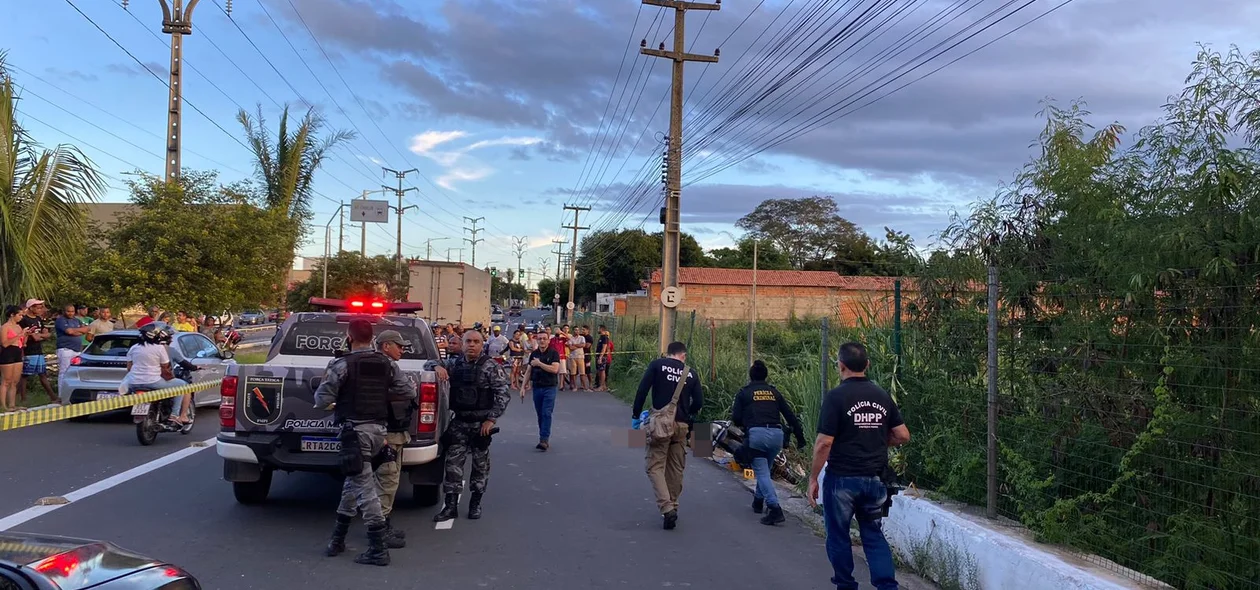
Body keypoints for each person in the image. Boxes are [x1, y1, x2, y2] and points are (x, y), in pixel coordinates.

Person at [808, 342, 910, 590]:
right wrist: (876, 440)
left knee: (839, 536)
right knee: (873, 535)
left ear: (840, 366)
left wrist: (812, 478)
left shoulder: (835, 397)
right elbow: (903, 435)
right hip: (875, 479)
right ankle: (887, 587)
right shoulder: (881, 395)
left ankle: (846, 585)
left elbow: (824, 443)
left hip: (841, 479)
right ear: (867, 365)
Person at [315, 319, 415, 567]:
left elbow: (320, 399)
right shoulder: (387, 364)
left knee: (365, 489)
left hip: (355, 433)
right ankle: (337, 539)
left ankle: (377, 549)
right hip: (380, 433)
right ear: (373, 338)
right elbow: (409, 391)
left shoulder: (342, 364)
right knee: (353, 485)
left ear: (349, 338)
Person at [427, 328, 510, 522]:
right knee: (453, 466)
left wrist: (491, 419)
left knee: (480, 467)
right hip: (459, 423)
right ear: (462, 344)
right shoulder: (455, 364)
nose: (471, 345)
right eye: (468, 341)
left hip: (481, 425)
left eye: (476, 342)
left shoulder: (490, 366)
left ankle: (475, 504)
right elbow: (430, 362)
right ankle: (450, 506)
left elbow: (503, 394)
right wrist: (436, 367)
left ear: (482, 345)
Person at [631, 341, 703, 530]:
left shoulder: (657, 365)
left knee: (655, 466)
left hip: (660, 426)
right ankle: (674, 505)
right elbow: (699, 402)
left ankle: (667, 507)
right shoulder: (691, 373)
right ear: (683, 355)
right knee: (676, 467)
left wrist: (635, 415)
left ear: (668, 353)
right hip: (681, 425)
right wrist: (687, 413)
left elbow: (642, 390)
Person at [730, 359, 807, 525]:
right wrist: (800, 439)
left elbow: (735, 418)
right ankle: (758, 501)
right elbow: (790, 416)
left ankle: (774, 508)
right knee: (764, 469)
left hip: (757, 435)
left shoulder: (744, 393)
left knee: (762, 473)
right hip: (776, 436)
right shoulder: (774, 393)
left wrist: (747, 423)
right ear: (766, 376)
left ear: (751, 376)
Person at [372, 330, 418, 550]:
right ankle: (379, 532)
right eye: (399, 346)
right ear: (386, 346)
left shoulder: (355, 363)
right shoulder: (388, 366)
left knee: (361, 484)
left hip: (368, 432)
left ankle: (340, 536)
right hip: (387, 433)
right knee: (387, 481)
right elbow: (409, 391)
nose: (402, 350)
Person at [124, 323, 191, 423]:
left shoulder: (134, 348)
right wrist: (170, 378)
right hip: (153, 382)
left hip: (134, 383)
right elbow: (165, 368)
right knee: (182, 385)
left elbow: (129, 368)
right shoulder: (159, 348)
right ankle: (175, 415)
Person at [526, 329, 561, 451]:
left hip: (549, 388)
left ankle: (544, 439)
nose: (542, 341)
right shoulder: (534, 354)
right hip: (537, 388)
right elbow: (528, 371)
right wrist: (522, 387)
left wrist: (540, 364)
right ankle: (543, 436)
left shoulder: (553, 353)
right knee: (540, 414)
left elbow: (555, 369)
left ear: (548, 340)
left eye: (544, 338)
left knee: (546, 413)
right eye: (539, 338)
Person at [17, 300, 55, 406]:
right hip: (29, 350)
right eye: (37, 308)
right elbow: (34, 337)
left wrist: (42, 335)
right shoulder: (24, 320)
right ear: (31, 308)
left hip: (38, 350)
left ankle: (52, 396)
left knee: (42, 373)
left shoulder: (38, 319)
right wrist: (41, 336)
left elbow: (46, 333)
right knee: (25, 375)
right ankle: (23, 399)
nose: (40, 310)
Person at [53, 303, 90, 379]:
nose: (71, 313)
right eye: (68, 311)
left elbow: (86, 329)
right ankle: (61, 390)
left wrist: (74, 331)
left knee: (75, 372)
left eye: (72, 311)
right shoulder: (60, 320)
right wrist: (78, 331)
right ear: (64, 311)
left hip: (77, 349)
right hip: (65, 349)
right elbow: (69, 331)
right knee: (64, 372)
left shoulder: (76, 320)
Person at [1, 305, 27, 412]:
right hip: (8, 353)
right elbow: (4, 343)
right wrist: (20, 334)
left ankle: (12, 405)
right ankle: (3, 405)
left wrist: (25, 335)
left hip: (18, 352)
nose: (21, 317)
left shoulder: (18, 326)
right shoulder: (5, 327)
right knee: (6, 380)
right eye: (19, 315)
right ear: (12, 315)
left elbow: (23, 342)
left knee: (14, 381)